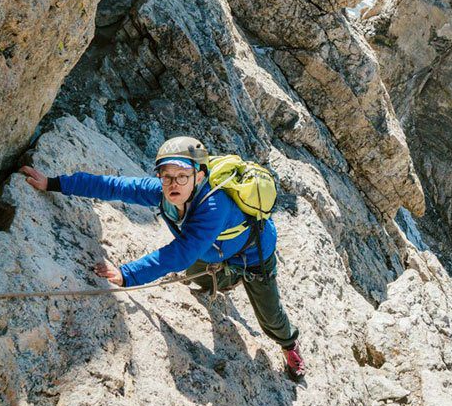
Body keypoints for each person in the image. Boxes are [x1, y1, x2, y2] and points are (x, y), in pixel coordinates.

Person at [19, 136, 306, 378]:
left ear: (200, 176)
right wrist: (53, 183)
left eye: (183, 176)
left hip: (254, 255)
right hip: (212, 250)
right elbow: (112, 186)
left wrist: (127, 274)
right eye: (167, 175)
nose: (173, 184)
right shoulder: (163, 194)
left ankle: (288, 343)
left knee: (270, 315)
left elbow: (179, 254)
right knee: (201, 276)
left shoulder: (214, 206)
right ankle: (224, 280)